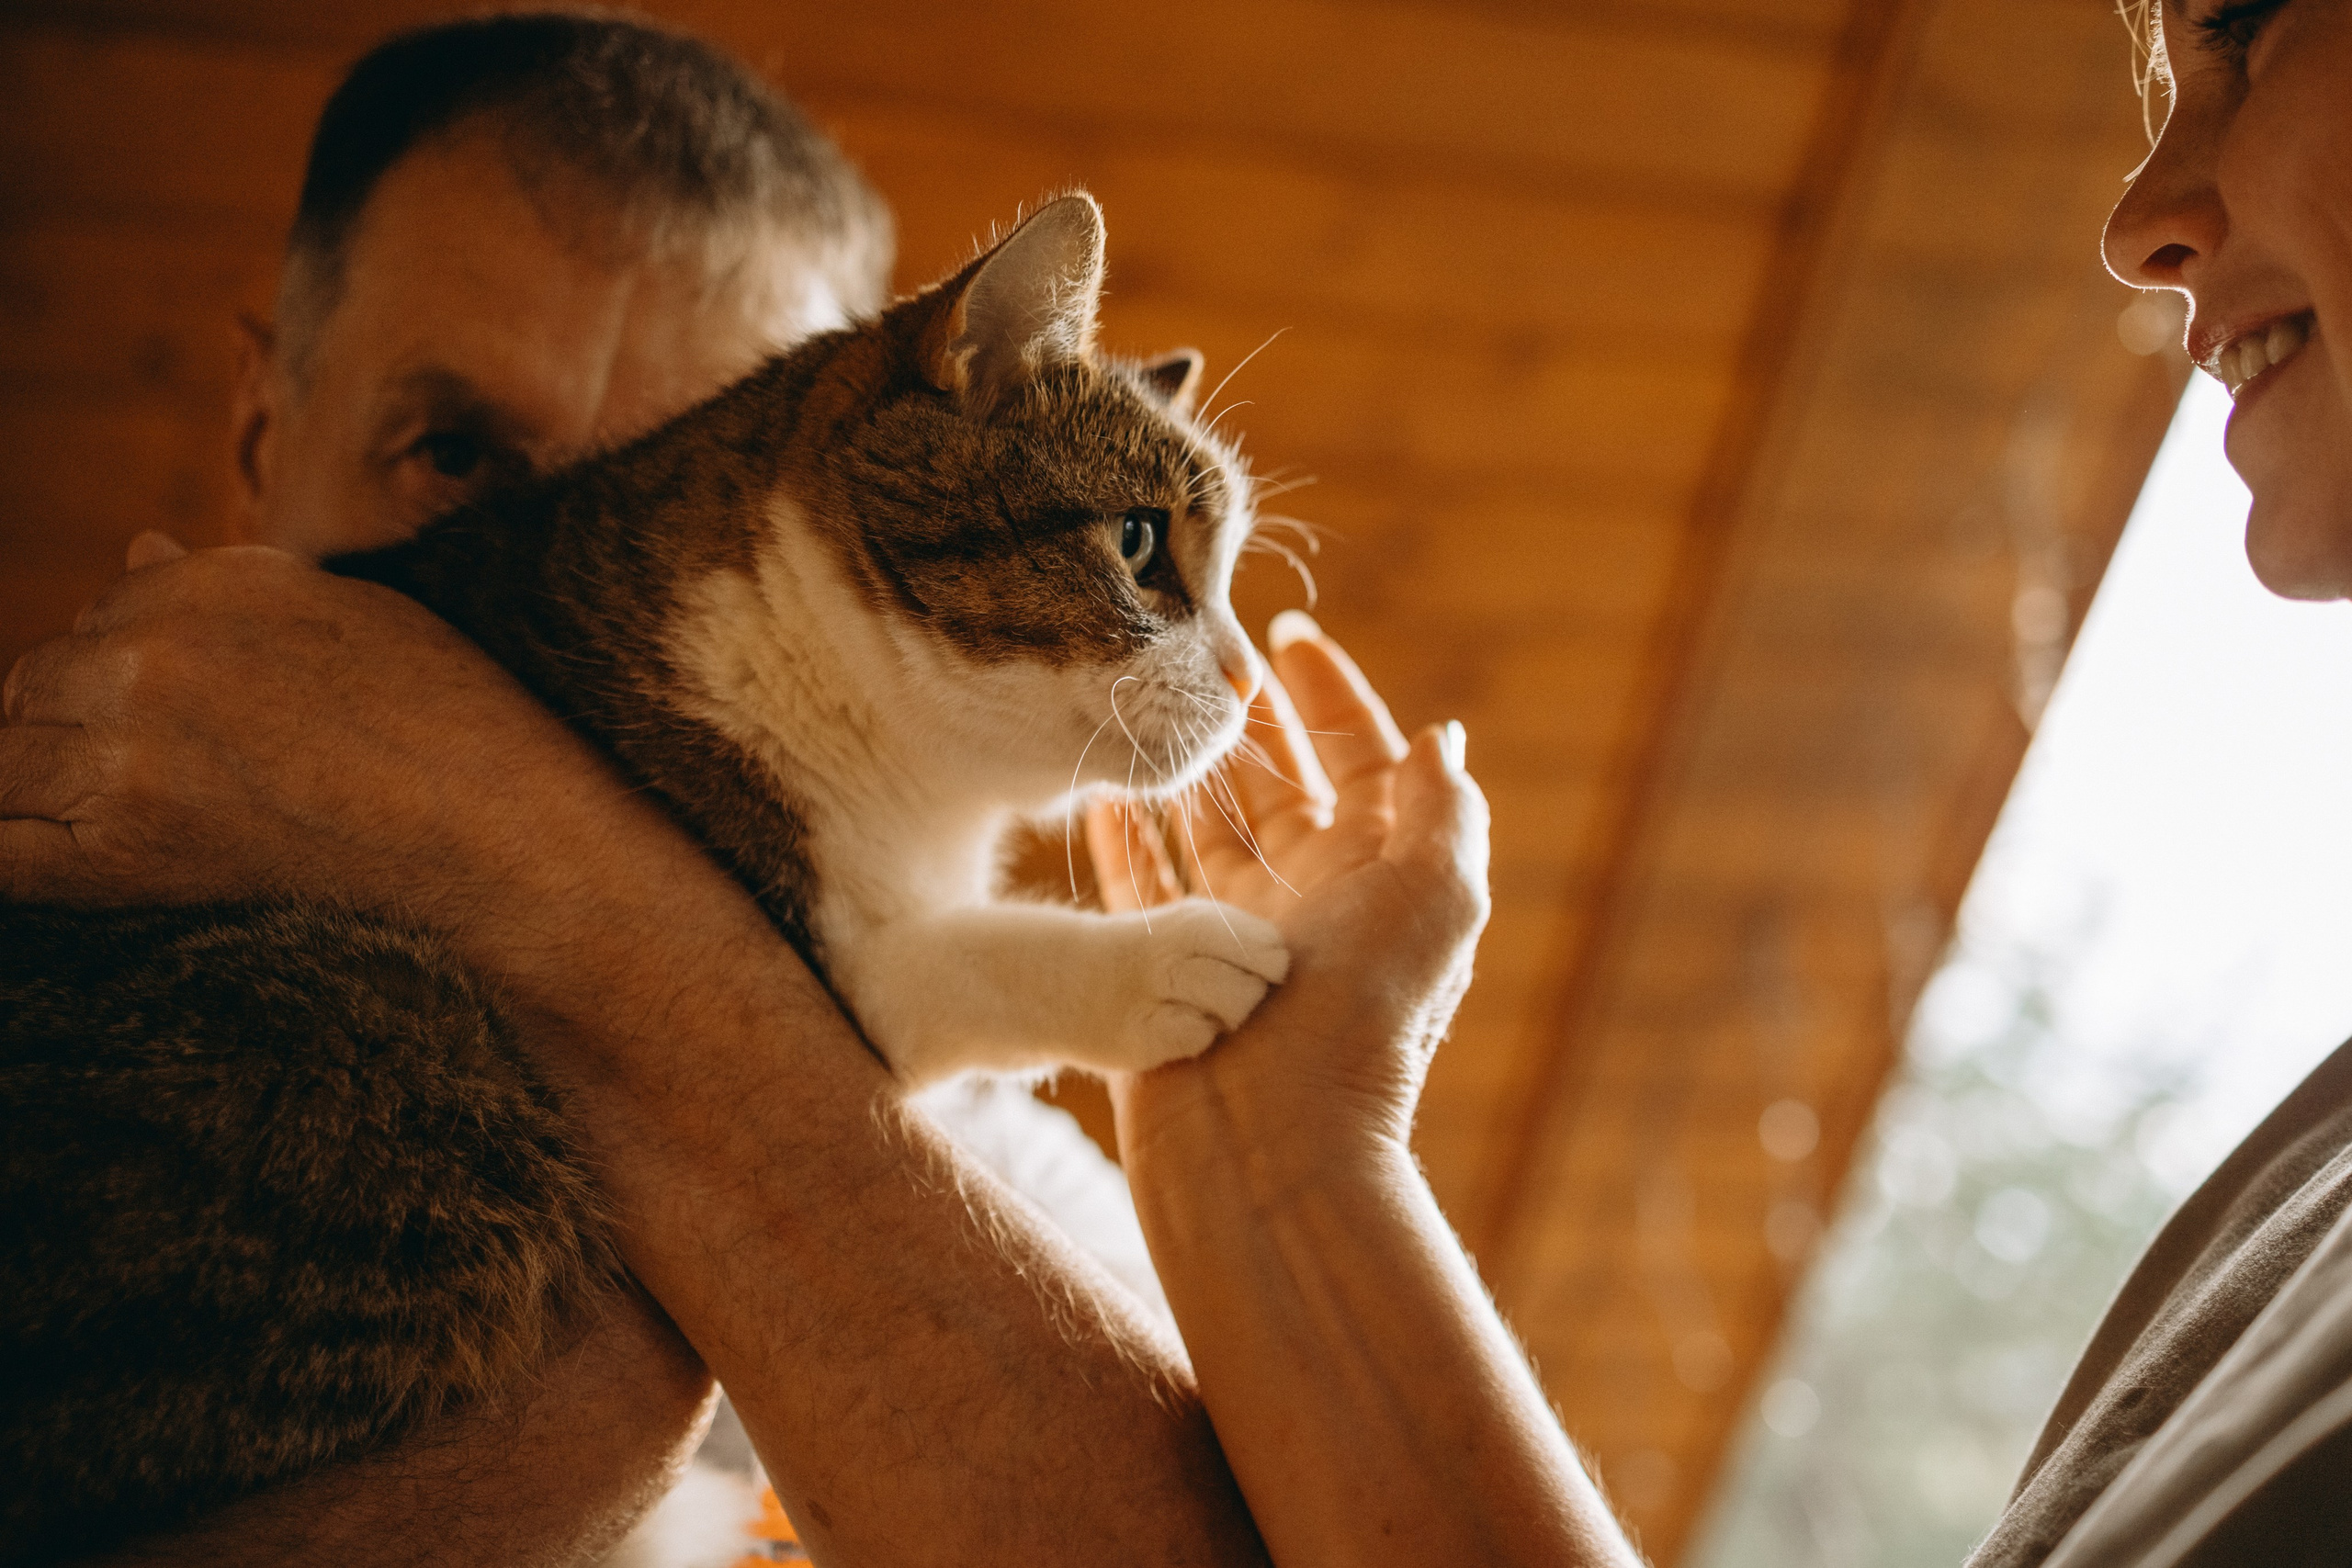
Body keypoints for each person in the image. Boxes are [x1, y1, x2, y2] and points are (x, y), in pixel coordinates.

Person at [0, 14, 1623, 1565]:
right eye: (457, 458)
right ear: (262, 416)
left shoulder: (1050, 1180)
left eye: (683, 464)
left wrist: (1287, 1161)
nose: (588, 558)